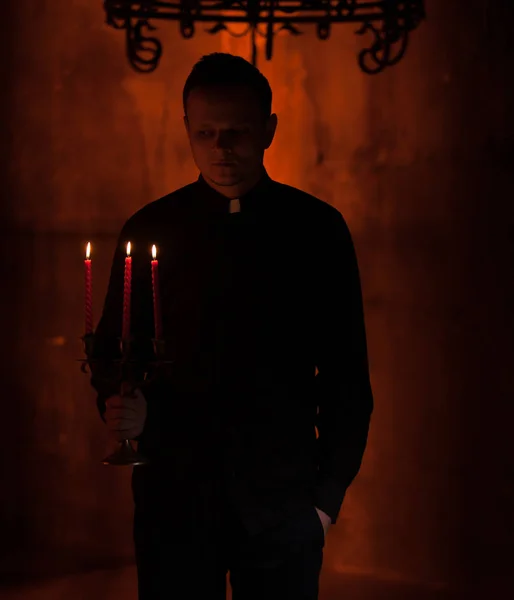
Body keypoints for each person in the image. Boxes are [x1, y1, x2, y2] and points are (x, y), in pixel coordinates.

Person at [90, 52, 373, 600]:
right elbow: (112, 354)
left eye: (237, 132)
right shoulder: (151, 228)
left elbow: (347, 378)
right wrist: (124, 404)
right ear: (187, 130)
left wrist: (324, 502)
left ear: (268, 130)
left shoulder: (317, 230)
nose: (220, 149)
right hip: (174, 498)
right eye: (206, 132)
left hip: (282, 502)